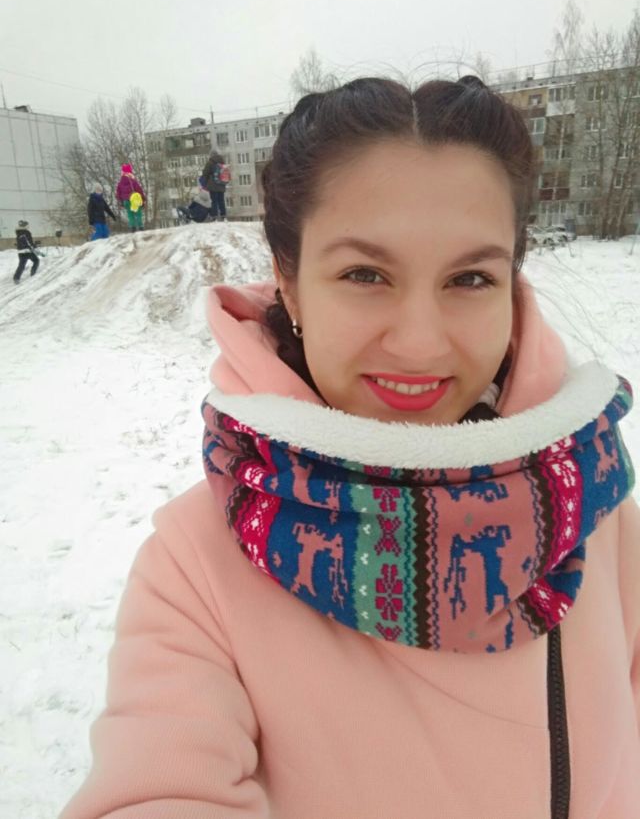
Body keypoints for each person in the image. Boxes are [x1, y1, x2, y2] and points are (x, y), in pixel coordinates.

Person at [61, 77, 640, 818]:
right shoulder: (197, 565)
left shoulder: (597, 517)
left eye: (470, 278)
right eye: (365, 274)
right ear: (290, 284)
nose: (421, 342)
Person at [116, 163, 145, 232]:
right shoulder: (132, 181)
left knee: (130, 214)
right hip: (133, 199)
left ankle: (133, 227)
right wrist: (143, 199)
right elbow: (139, 190)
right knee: (138, 212)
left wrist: (121, 201)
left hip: (125, 201)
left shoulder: (120, 183)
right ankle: (140, 226)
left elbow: (118, 193)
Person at [202, 150, 228, 220]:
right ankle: (223, 215)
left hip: (213, 185)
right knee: (221, 200)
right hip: (221, 185)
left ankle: (214, 216)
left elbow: (205, 173)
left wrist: (205, 182)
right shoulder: (222, 162)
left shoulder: (210, 162)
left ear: (211, 155)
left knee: (214, 201)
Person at [13, 219, 39, 283]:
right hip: (27, 251)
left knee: (21, 265)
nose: (28, 226)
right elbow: (28, 242)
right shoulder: (26, 232)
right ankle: (33, 273)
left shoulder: (18, 232)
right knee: (36, 260)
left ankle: (16, 278)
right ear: (25, 226)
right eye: (27, 225)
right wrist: (34, 246)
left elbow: (21, 242)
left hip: (20, 252)